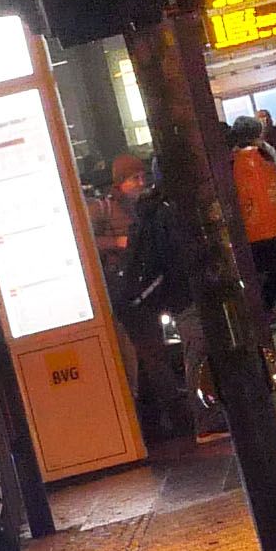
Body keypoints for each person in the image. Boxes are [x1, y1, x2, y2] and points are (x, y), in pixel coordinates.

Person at [105, 156, 209, 444]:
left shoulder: (148, 209)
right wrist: (116, 244)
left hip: (147, 292)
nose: (139, 183)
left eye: (142, 177)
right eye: (132, 178)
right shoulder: (111, 208)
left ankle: (176, 415)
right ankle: (184, 416)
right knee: (159, 355)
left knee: (160, 355)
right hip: (139, 293)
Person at [228, 120, 276, 326]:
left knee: (264, 272)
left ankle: (267, 309)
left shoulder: (232, 160)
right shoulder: (264, 153)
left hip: (253, 226)